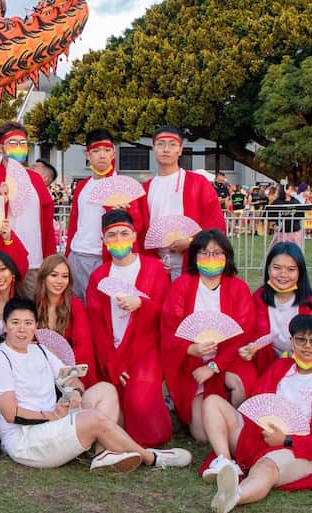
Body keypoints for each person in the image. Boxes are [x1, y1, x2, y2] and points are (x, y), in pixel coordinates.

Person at [0, 298, 191, 472]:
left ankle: (102, 454)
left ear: (36, 326)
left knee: (106, 389)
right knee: (91, 417)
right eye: (15, 323)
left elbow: (72, 378)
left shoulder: (41, 351)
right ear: (5, 326)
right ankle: (151, 457)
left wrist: (75, 392)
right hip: (25, 440)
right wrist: (52, 416)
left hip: (52, 422)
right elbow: (11, 413)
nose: (22, 329)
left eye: (28, 323)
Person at [201, 315, 312, 513]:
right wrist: (263, 430)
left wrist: (286, 440)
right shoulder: (280, 368)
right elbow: (258, 403)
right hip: (259, 438)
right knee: (212, 402)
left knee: (267, 468)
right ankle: (226, 464)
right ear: (291, 342)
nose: (307, 346)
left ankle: (235, 495)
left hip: (298, 450)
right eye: (301, 340)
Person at [85, 211, 173, 447]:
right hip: (113, 350)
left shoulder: (154, 269)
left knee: (140, 406)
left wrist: (142, 304)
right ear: (104, 240)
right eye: (111, 235)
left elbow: (167, 312)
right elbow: (96, 325)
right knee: (112, 406)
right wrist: (111, 360)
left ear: (134, 236)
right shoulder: (98, 277)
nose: (118, 239)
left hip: (145, 347)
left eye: (124, 233)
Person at [159, 229, 257, 440]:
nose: (210, 258)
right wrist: (189, 348)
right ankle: (193, 407)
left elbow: (243, 332)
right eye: (204, 252)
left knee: (239, 384)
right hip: (192, 362)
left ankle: (238, 425)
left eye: (217, 253)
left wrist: (215, 365)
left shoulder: (238, 288)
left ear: (226, 256)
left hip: (229, 360)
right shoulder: (182, 286)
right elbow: (169, 326)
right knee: (202, 435)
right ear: (194, 256)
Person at [65, 129, 145, 298]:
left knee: (102, 308)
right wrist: (67, 255)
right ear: (87, 155)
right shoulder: (81, 186)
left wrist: (125, 214)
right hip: (77, 254)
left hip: (106, 256)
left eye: (107, 150)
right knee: (76, 308)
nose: (102, 155)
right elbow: (73, 223)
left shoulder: (124, 184)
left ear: (113, 153)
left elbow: (138, 225)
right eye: (96, 151)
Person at [139, 127, 226, 279]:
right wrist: (152, 262)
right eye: (161, 144)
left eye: (172, 144)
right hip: (158, 264)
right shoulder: (145, 189)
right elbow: (141, 234)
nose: (166, 149)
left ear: (180, 150)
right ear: (153, 148)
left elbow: (215, 223)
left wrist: (191, 241)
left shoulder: (198, 183)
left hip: (193, 261)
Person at [0, 122, 55, 272]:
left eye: (23, 143)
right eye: (12, 143)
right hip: (3, 262)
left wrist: (49, 258)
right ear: (0, 148)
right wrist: (0, 200)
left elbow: (47, 220)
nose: (18, 146)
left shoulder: (36, 179)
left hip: (35, 261)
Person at [243, 242, 312, 375]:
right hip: (265, 367)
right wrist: (249, 349)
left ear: (300, 272)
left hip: (302, 368)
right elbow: (250, 333)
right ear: (268, 269)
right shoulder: (258, 298)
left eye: (291, 269)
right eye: (277, 268)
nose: (283, 274)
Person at [33, 254, 98, 385]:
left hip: (69, 375)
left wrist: (70, 378)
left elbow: (83, 348)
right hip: (38, 372)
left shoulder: (76, 305)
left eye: (65, 276)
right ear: (43, 277)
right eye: (54, 275)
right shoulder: (32, 306)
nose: (59, 281)